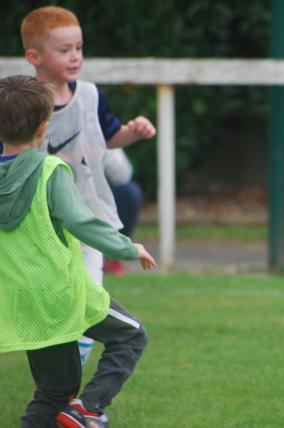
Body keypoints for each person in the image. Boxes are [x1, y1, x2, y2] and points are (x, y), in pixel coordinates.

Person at [0, 75, 156, 428]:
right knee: (131, 335)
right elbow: (82, 221)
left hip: (24, 303)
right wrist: (127, 248)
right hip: (61, 294)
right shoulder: (49, 171)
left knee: (53, 393)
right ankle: (89, 408)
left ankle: (78, 408)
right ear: (44, 127)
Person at [21, 5, 156, 364]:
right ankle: (53, 380)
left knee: (91, 298)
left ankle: (68, 385)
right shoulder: (23, 102)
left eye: (79, 48)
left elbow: (109, 137)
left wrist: (133, 132)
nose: (75, 56)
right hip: (41, 224)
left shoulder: (91, 96)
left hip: (87, 216)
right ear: (34, 56)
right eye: (64, 50)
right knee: (49, 305)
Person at [104, 148, 144, 276]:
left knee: (130, 192)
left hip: (101, 196)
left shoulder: (99, 131)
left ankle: (114, 255)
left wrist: (101, 151)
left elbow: (124, 175)